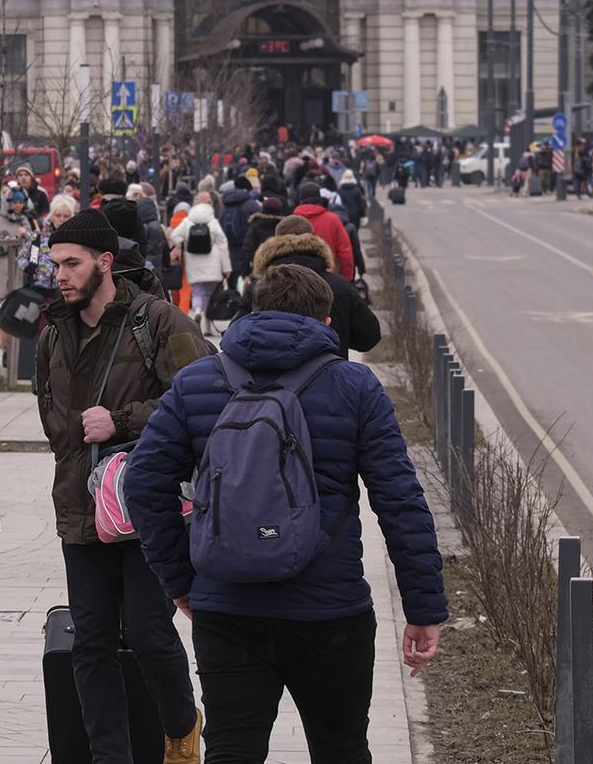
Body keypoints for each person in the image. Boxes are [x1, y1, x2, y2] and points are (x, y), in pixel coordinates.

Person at [123, 264, 448, 761]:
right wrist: (423, 607)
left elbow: (143, 481)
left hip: (227, 606)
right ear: (326, 322)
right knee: (341, 747)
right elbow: (399, 498)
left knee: (232, 748)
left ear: (252, 313)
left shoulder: (196, 383)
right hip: (330, 609)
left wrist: (181, 579)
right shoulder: (356, 388)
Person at [33, 209, 207, 764]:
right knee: (91, 643)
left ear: (104, 262)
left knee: (151, 634)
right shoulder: (53, 331)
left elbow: (205, 402)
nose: (59, 274)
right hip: (80, 508)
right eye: (54, 263)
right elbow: (52, 413)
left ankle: (182, 728)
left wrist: (125, 421)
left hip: (146, 509)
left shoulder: (158, 322)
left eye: (71, 263)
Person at [253, 217, 380, 357]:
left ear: (275, 241)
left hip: (272, 375)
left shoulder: (259, 288)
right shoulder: (339, 286)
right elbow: (369, 337)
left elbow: (239, 336)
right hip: (329, 372)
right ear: (313, 238)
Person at [169, 199, 229, 333]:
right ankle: (207, 325)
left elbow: (174, 235)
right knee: (210, 294)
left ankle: (197, 310)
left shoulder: (187, 222)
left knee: (197, 292)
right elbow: (223, 244)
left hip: (193, 261)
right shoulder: (213, 223)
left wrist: (184, 244)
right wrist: (227, 268)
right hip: (213, 263)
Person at [289, 187, 354, 280]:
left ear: (300, 200)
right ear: (319, 199)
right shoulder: (333, 219)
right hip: (328, 278)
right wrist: (347, 278)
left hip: (299, 280)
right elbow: (345, 251)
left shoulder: (291, 221)